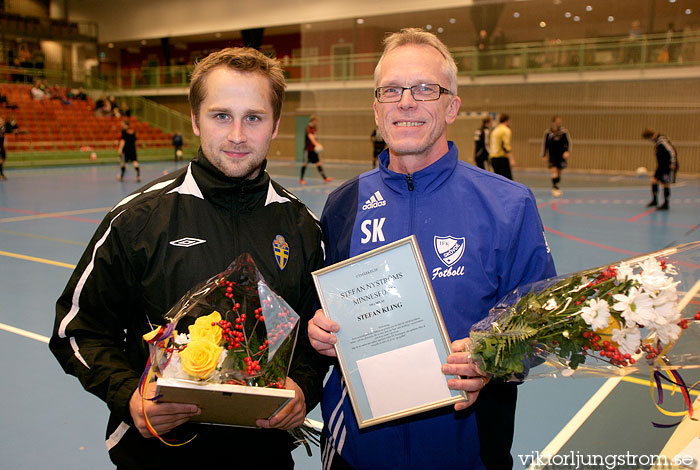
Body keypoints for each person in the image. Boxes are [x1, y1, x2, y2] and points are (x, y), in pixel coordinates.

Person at [50, 47, 327, 468]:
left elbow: (320, 336)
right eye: (221, 116)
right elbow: (76, 331)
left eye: (253, 117)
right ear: (195, 120)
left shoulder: (301, 227)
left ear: (274, 127)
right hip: (156, 454)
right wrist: (129, 397)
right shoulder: (137, 219)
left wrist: (304, 387)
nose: (237, 134)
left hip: (264, 455)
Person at [307, 28, 556, 469]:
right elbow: (322, 310)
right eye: (392, 90)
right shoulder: (342, 204)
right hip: (355, 452)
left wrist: (491, 361)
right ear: (377, 108)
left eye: (425, 88)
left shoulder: (508, 205)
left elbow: (541, 332)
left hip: (469, 450)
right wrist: (319, 332)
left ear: (452, 106)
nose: (406, 102)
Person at [642, 128, 677, 210]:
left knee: (665, 183)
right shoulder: (657, 142)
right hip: (660, 166)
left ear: (651, 136)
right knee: (654, 180)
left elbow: (672, 151)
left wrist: (673, 163)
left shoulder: (662, 140)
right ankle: (655, 200)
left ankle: (666, 203)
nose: (649, 141)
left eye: (648, 139)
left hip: (667, 166)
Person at [541, 116, 571, 197]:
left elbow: (568, 143)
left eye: (559, 122)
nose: (558, 123)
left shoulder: (564, 132)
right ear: (553, 122)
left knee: (559, 173)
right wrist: (543, 155)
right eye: (557, 121)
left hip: (561, 156)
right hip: (552, 156)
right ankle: (555, 187)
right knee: (554, 172)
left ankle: (556, 184)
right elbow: (545, 145)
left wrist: (567, 151)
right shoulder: (548, 133)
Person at [299, 115, 333, 184]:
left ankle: (325, 178)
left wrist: (316, 145)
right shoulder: (308, 128)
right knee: (305, 164)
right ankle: (301, 179)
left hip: (313, 150)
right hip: (308, 150)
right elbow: (311, 137)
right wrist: (317, 144)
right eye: (316, 121)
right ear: (313, 121)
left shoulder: (314, 128)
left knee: (318, 163)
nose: (316, 123)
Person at [489, 113, 515, 180]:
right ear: (508, 120)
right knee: (508, 181)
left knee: (498, 180)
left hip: (493, 158)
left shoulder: (494, 130)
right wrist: (511, 159)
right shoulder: (506, 130)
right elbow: (506, 146)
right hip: (501, 158)